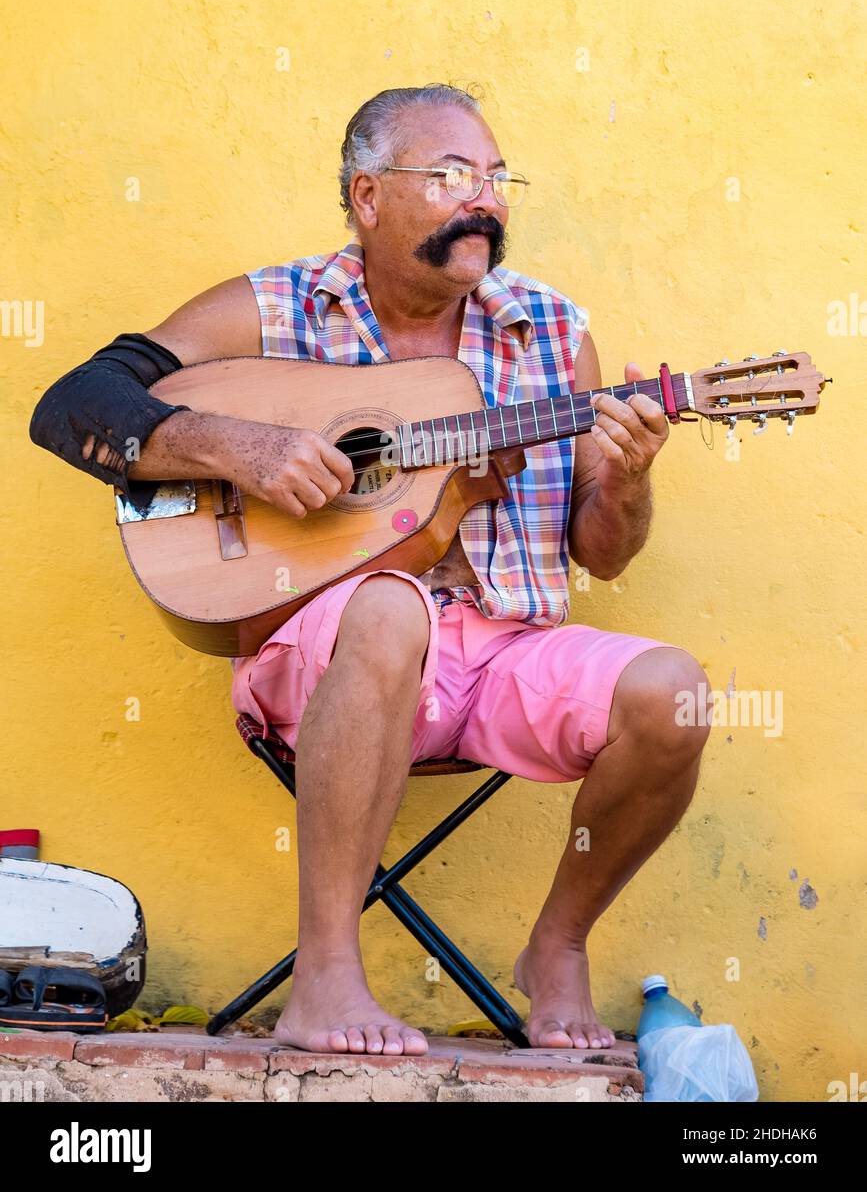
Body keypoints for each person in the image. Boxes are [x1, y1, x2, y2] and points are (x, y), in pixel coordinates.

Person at [30, 82, 712, 1058]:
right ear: (367, 196)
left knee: (675, 694)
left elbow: (602, 549)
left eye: (495, 177)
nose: (486, 197)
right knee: (391, 606)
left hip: (502, 650)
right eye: (450, 175)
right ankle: (327, 975)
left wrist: (634, 475)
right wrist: (237, 448)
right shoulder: (275, 308)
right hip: (319, 647)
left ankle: (556, 948)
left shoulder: (553, 332)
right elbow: (73, 405)